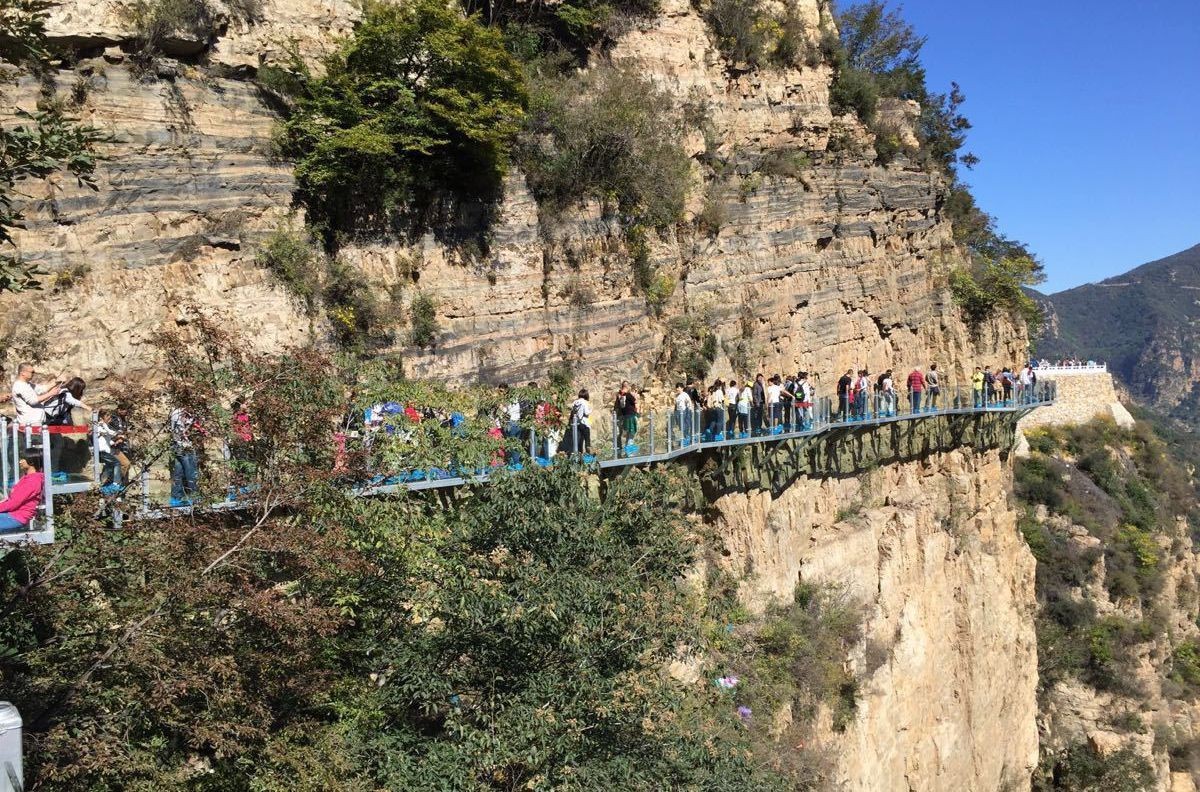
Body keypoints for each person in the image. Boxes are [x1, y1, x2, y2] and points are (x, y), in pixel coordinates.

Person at [0, 452, 45, 532]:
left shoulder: (32, 481)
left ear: (31, 462)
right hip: (12, 514)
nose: (20, 462)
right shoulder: (28, 478)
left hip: (16, 517)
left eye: (22, 459)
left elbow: (13, 503)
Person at [169, 406, 202, 507]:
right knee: (191, 471)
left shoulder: (187, 414)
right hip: (183, 446)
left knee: (179, 472)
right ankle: (194, 496)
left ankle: (175, 498)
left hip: (181, 445)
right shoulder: (177, 414)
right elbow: (181, 431)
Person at [614, 381, 638, 455]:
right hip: (631, 416)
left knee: (628, 434)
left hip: (624, 417)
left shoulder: (619, 395)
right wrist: (635, 396)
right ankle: (629, 453)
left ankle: (627, 452)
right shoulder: (628, 395)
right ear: (627, 386)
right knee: (631, 435)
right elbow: (635, 402)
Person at [568, 389, 592, 456]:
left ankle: (579, 456)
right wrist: (591, 410)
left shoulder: (575, 402)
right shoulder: (585, 402)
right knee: (587, 440)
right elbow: (586, 413)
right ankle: (588, 456)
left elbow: (572, 413)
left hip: (577, 423)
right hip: (584, 423)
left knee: (579, 441)